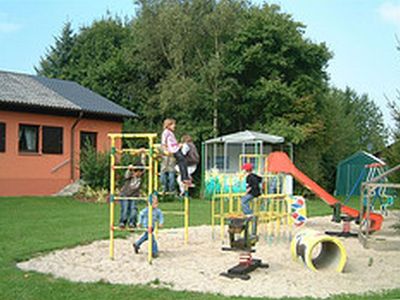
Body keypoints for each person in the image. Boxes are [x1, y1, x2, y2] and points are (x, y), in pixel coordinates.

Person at [161, 118, 190, 185]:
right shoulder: (166, 132)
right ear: (168, 125)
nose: (175, 126)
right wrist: (165, 150)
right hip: (172, 150)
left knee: (183, 161)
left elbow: (172, 142)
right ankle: (184, 178)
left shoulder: (170, 133)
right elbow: (164, 142)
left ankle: (185, 178)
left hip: (175, 148)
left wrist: (179, 145)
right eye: (173, 124)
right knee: (182, 160)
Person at [118, 163, 144, 228]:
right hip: (125, 195)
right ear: (133, 171)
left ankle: (132, 223)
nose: (138, 174)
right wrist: (129, 169)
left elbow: (145, 170)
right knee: (125, 209)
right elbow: (126, 175)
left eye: (139, 172)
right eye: (136, 172)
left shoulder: (141, 177)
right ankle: (122, 222)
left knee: (133, 210)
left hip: (134, 196)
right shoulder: (130, 176)